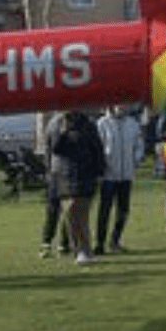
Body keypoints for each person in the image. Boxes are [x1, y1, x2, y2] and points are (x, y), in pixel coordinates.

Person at [50, 109, 105, 265]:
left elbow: (97, 148)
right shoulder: (57, 124)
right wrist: (62, 132)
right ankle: (78, 251)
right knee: (72, 215)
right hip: (66, 176)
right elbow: (55, 149)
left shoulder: (88, 124)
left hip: (86, 174)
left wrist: (100, 171)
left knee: (83, 215)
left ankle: (87, 250)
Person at [96, 105, 144, 254]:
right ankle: (100, 243)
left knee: (123, 210)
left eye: (124, 104)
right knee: (105, 210)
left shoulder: (132, 123)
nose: (122, 107)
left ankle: (115, 241)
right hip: (109, 176)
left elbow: (139, 145)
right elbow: (98, 148)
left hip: (126, 175)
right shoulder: (102, 124)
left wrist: (135, 161)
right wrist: (102, 167)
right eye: (118, 104)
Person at [38, 111, 71, 258]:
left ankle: (63, 244)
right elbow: (50, 148)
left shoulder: (74, 121)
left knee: (66, 210)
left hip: (66, 172)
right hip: (58, 172)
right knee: (55, 210)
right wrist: (48, 170)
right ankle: (47, 244)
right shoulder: (55, 123)